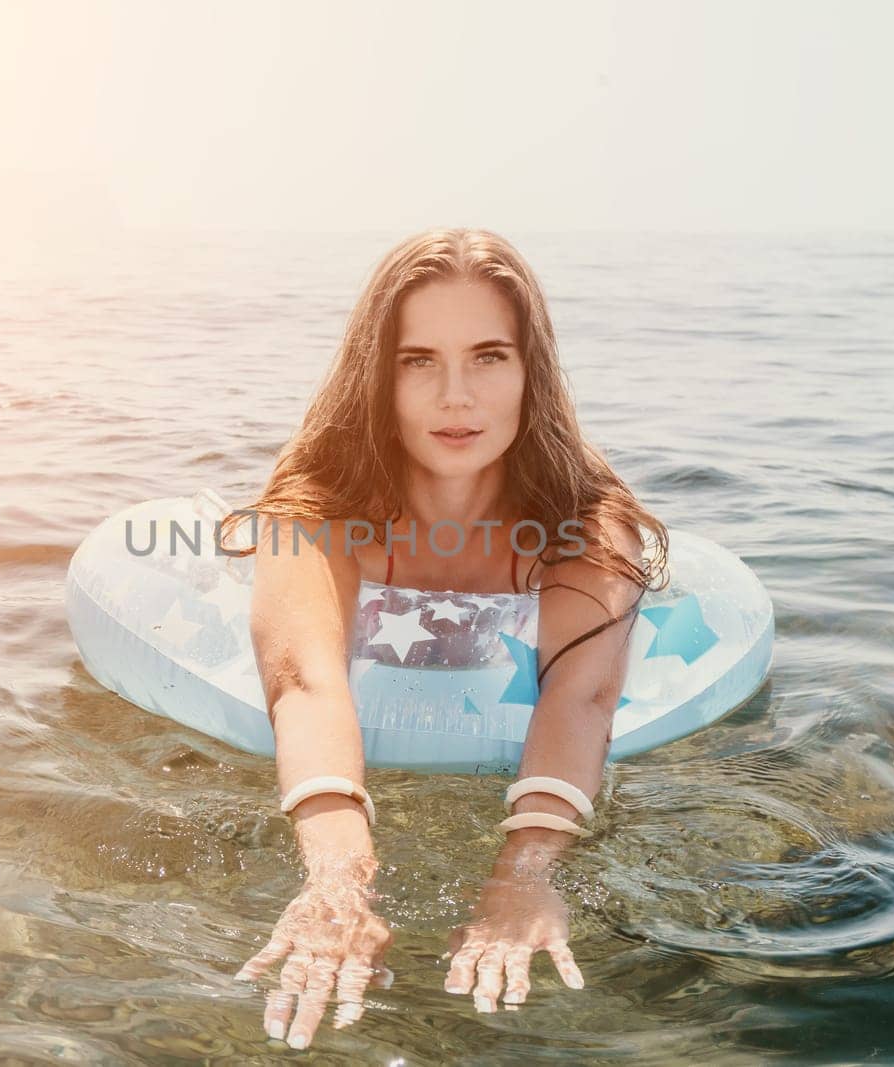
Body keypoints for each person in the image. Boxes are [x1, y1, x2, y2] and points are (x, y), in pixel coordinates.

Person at [218, 227, 669, 1049]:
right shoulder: (318, 502)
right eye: (417, 359)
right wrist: (337, 883)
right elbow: (306, 680)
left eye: (489, 356)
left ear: (531, 371)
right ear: (375, 375)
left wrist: (523, 876)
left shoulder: (585, 519)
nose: (456, 396)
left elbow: (583, 692)